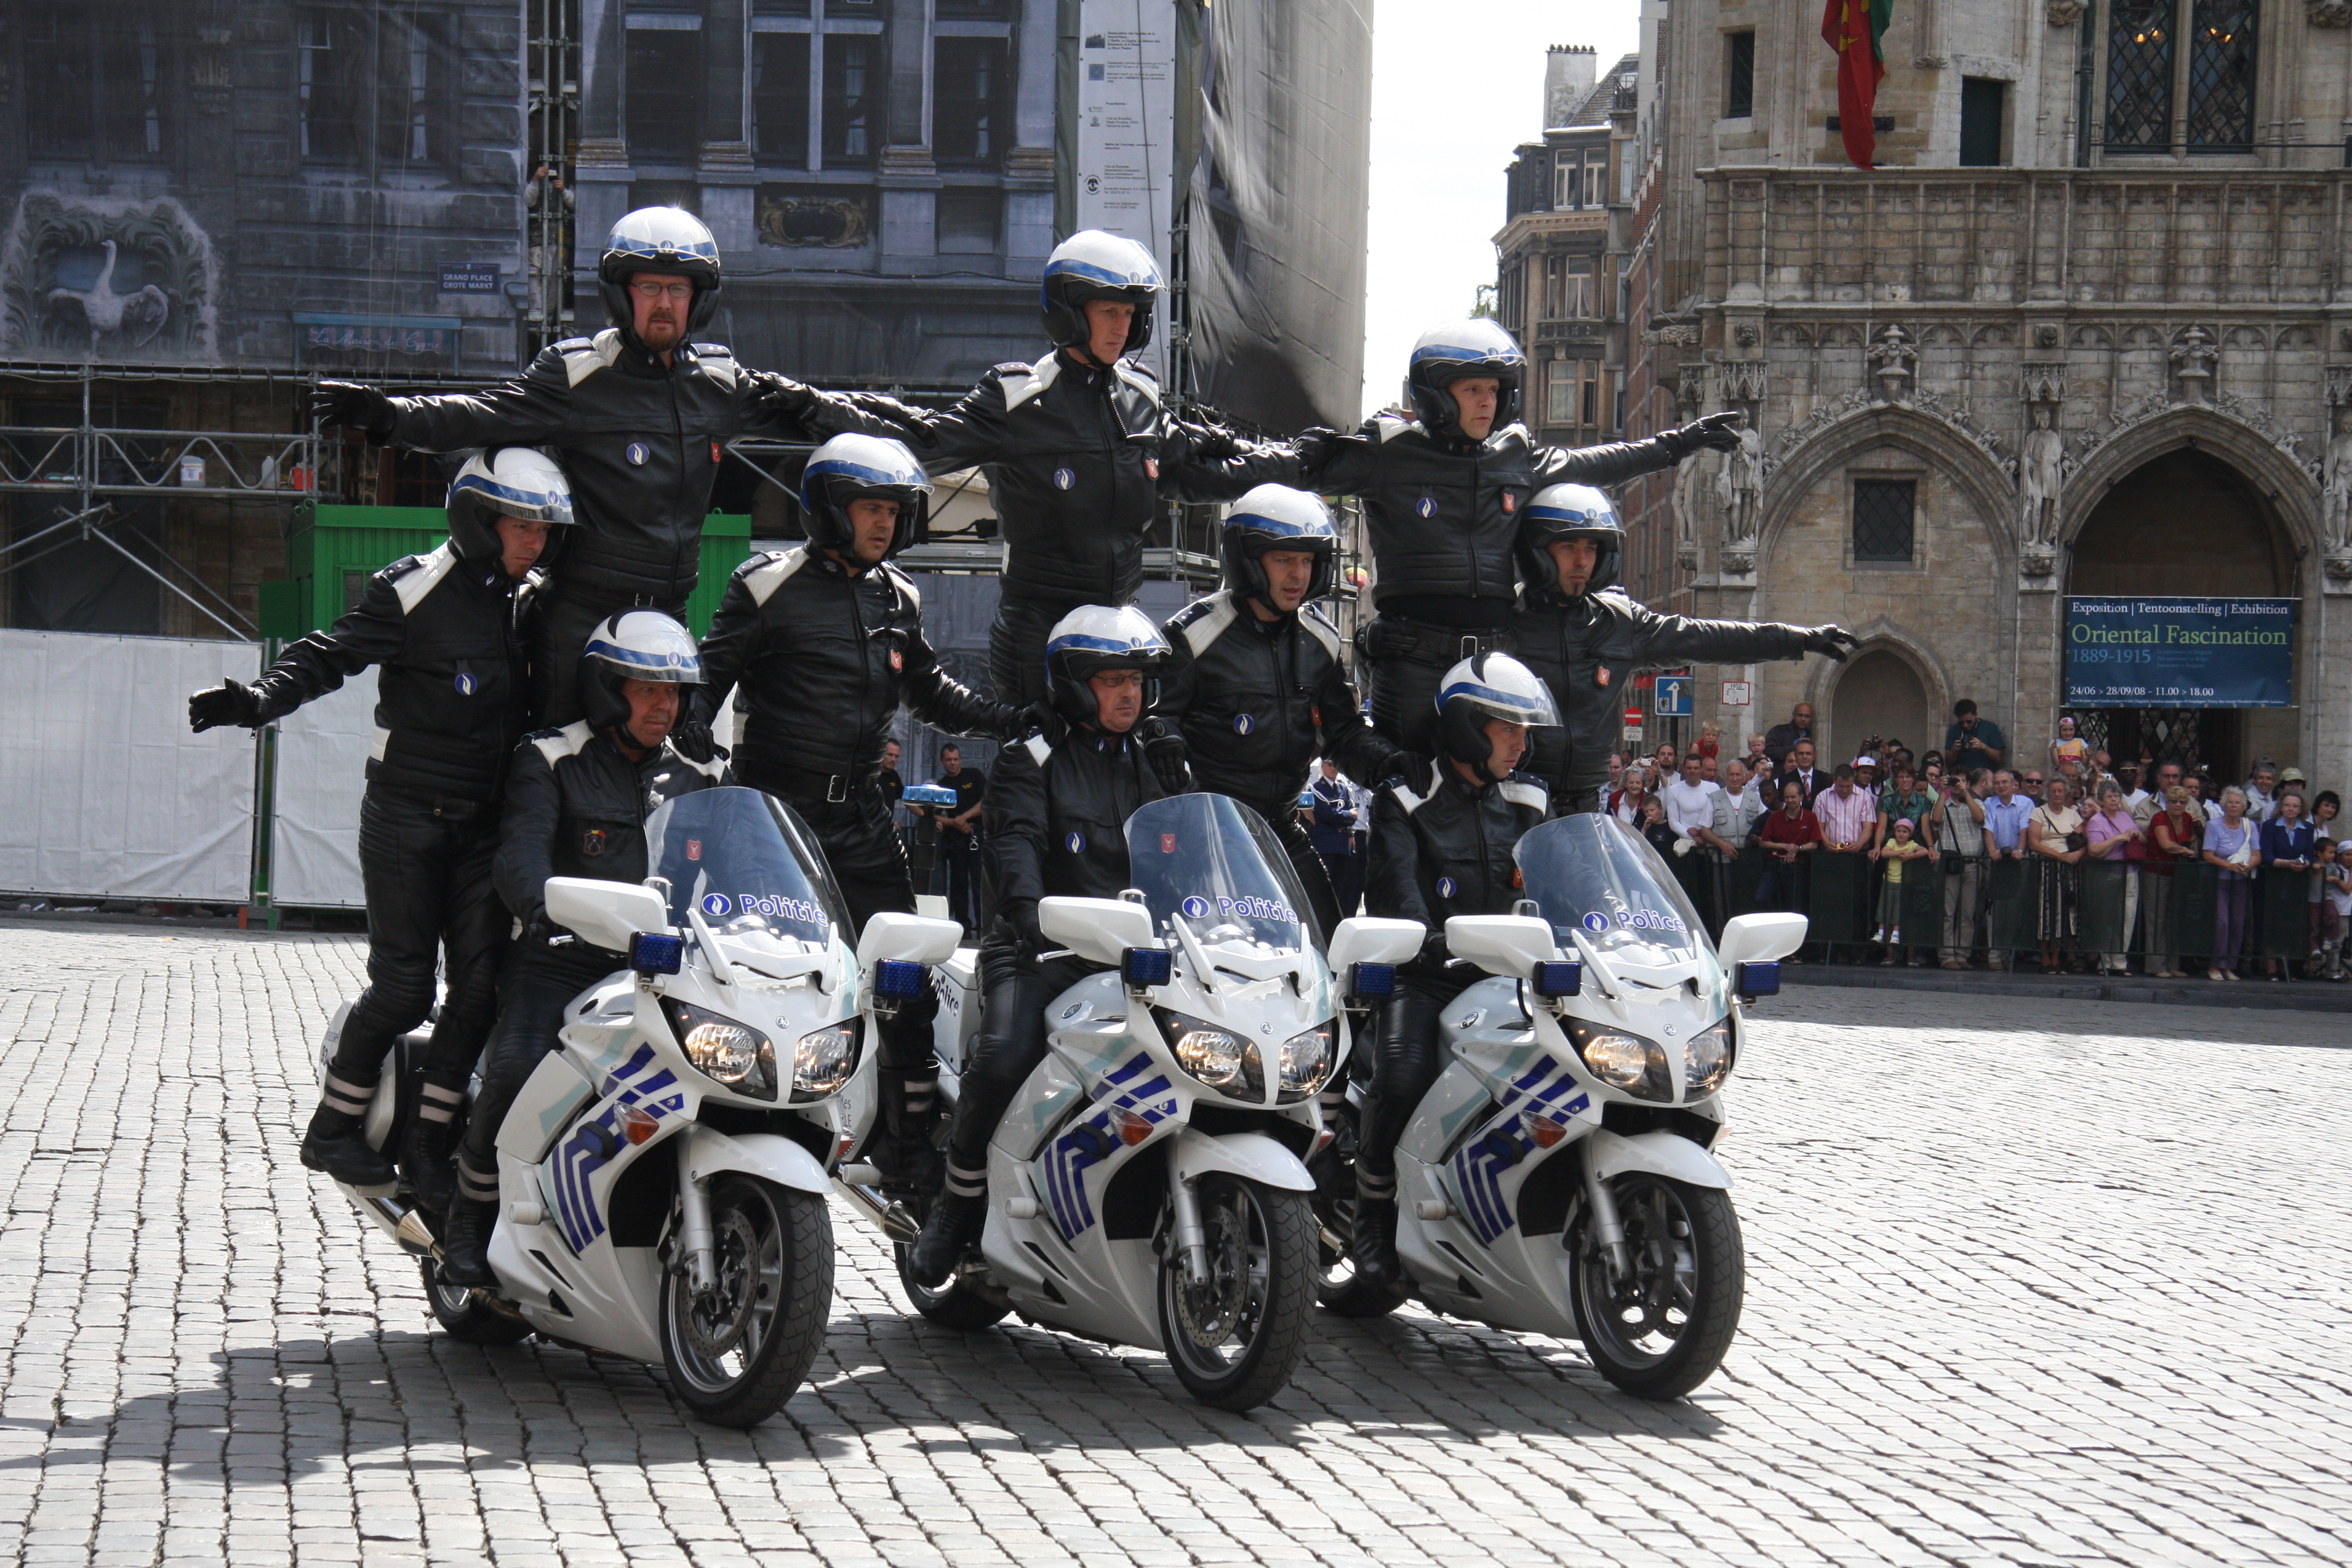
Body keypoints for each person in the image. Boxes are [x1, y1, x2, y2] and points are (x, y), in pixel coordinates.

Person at [188, 448, 570, 1203]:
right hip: (406, 820)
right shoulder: (413, 588)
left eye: (544, 528)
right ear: (479, 518)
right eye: (521, 524)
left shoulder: (533, 603)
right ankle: (333, 1127)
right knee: (402, 990)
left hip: (484, 831)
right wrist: (260, 699)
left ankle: (430, 1144)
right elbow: (331, 653)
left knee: (478, 991)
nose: (536, 540)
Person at [312, 207, 826, 727]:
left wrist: (906, 424)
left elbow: (815, 413)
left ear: (700, 299)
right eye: (649, 287)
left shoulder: (717, 382)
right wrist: (391, 416)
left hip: (667, 615)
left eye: (678, 289)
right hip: (581, 616)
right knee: (557, 759)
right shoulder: (579, 374)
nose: (664, 303)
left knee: (644, 778)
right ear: (622, 294)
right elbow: (487, 415)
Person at [687, 433, 1028, 1187]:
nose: (884, 523)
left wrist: (1012, 719)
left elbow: (934, 692)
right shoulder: (765, 585)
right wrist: (686, 749)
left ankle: (907, 1143)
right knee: (757, 976)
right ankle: (746, 1117)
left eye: (893, 510)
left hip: (863, 822)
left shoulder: (899, 597)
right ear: (827, 510)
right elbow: (706, 683)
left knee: (902, 978)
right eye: (869, 508)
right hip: (772, 819)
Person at [792, 231, 1302, 702]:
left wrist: (1303, 465)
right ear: (1070, 313)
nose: (1121, 328)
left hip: (1118, 624)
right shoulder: (1018, 400)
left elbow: (1202, 470)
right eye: (1108, 312)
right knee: (1033, 773)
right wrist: (807, 406)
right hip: (1038, 631)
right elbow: (924, 441)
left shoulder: (1143, 398)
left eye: (1130, 314)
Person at [1295, 324, 1756, 755]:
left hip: (1492, 665)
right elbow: (1288, 467)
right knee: (1405, 791)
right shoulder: (1389, 455)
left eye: (1494, 391)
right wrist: (1231, 451)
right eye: (1472, 389)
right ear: (1437, 395)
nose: (1486, 403)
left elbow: (1598, 463)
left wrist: (1676, 444)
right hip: (1412, 664)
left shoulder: (1516, 457)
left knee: (1495, 792)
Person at [439, 611, 727, 1284]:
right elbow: (520, 858)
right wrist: (543, 907)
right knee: (516, 1075)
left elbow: (742, 858)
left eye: (675, 691)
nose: (667, 705)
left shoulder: (700, 772)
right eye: (648, 688)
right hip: (562, 957)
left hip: (665, 968)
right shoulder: (551, 757)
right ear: (607, 688)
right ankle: (468, 1219)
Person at [908, 607, 1181, 1284]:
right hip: (1043, 953)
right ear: (1073, 684)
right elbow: (1015, 847)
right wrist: (1031, 913)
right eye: (1112, 679)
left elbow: (1196, 859)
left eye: (1138, 680)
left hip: (1139, 961)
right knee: (1003, 1059)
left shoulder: (1157, 760)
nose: (1129, 694)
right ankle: (957, 1204)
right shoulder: (1029, 760)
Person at [1351, 653, 1556, 1289]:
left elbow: (1560, 883)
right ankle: (1373, 1216)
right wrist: (1429, 939)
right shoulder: (1407, 796)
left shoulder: (1528, 798)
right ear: (1467, 726)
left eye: (1527, 731)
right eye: (1508, 728)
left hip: (1508, 981)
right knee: (1404, 1076)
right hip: (1428, 973)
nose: (1522, 745)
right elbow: (1394, 890)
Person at [1506, 484, 1853, 810]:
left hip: (1588, 805)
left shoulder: (1618, 622)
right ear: (1538, 551)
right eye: (1569, 547)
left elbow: (1705, 638)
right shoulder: (1503, 620)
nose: (1583, 561)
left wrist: (1798, 638)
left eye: (1592, 548)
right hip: (1514, 797)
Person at [1158, 485, 1404, 934]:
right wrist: (1167, 742)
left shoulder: (1322, 639)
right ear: (1249, 560)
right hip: (1208, 835)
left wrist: (1389, 762)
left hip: (1283, 831)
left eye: (1307, 561)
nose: (1298, 575)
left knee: (1330, 956)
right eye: (1284, 560)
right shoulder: (1194, 635)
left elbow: (1344, 734)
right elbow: (1154, 723)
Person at [2084, 779, 2143, 976]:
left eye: (2117, 796)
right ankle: (2104, 962)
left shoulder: (2126, 817)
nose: (2114, 799)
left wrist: (2135, 834)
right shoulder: (2097, 821)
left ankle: (2119, 962)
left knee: (2127, 918)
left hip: (2130, 873)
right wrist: (2117, 838)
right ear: (2101, 800)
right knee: (2107, 918)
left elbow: (2144, 841)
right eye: (2110, 796)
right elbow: (2094, 850)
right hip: (2107, 874)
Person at [2144, 782, 2203, 978]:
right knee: (2157, 919)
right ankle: (2156, 965)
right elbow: (2166, 844)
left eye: (2182, 801)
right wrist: (2186, 851)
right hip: (2157, 872)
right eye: (2174, 801)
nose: (2178, 804)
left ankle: (2173, 964)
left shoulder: (2187, 818)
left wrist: (2192, 844)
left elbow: (2193, 836)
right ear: (2167, 802)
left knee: (2174, 919)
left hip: (2179, 874)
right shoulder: (2159, 818)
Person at [1933, 768, 1990, 969]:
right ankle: (1947, 955)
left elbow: (1980, 819)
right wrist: (1943, 791)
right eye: (1956, 781)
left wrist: (1966, 793)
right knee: (1948, 912)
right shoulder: (1944, 804)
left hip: (1972, 864)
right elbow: (1936, 820)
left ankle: (1962, 954)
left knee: (1968, 912)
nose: (1958, 784)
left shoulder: (1977, 803)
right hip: (1951, 865)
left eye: (1963, 781)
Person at [2258, 790, 2318, 981]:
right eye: (2287, 805)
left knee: (2292, 924)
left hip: (2297, 882)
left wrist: (2305, 864)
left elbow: (2309, 854)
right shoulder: (2270, 826)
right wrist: (2285, 863)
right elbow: (2266, 855)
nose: (2291, 809)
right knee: (2273, 923)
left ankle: (2288, 967)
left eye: (2295, 806)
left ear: (2301, 809)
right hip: (2275, 880)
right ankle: (2271, 967)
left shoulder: (2307, 828)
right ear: (2281, 807)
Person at [2028, 776, 2085, 972]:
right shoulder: (2038, 812)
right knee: (2047, 913)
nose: (2057, 794)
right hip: (2046, 867)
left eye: (2061, 791)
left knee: (2065, 913)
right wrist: (2060, 857)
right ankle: (2045, 958)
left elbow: (2082, 841)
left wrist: (2076, 855)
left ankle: (2057, 957)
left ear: (2066, 793)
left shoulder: (2073, 815)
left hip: (2069, 870)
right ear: (2048, 793)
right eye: (2054, 791)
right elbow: (2034, 843)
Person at [2203, 786, 2260, 981]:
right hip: (2221, 880)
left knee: (2238, 923)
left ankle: (2229, 965)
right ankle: (2215, 965)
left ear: (2244, 806)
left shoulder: (2250, 825)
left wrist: (2247, 866)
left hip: (2241, 881)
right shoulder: (2214, 825)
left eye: (2238, 802)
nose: (2234, 806)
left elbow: (2257, 855)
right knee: (2222, 923)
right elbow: (2208, 854)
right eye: (2230, 802)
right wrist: (2228, 866)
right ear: (2223, 804)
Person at [1981, 769, 2036, 971]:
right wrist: (1992, 850)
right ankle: (1995, 954)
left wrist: (2020, 850)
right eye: (1997, 783)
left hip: (2018, 861)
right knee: (1995, 909)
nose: (2001, 786)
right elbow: (1989, 829)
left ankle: (2007, 954)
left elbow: (2025, 829)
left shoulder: (2025, 803)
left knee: (2014, 909)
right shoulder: (1989, 803)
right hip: (1997, 861)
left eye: (2005, 782)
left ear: (2014, 785)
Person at [930, 744, 988, 930]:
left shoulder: (974, 775)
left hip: (977, 835)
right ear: (942, 762)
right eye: (949, 760)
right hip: (955, 839)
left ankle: (983, 927)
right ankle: (963, 927)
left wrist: (965, 817)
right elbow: (931, 814)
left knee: (980, 883)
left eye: (956, 759)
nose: (953, 763)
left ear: (961, 759)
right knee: (959, 884)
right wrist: (955, 822)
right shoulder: (941, 786)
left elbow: (987, 801)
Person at [1754, 777, 1821, 924]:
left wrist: (1798, 849)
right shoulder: (1775, 817)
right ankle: (1777, 924)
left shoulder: (1810, 817)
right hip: (1775, 865)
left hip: (1799, 867)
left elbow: (1815, 844)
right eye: (1787, 797)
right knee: (1761, 898)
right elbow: (1764, 843)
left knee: (1796, 907)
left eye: (1793, 797)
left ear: (1801, 797)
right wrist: (1785, 847)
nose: (1790, 800)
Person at [1868, 818, 1933, 961]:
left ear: (1910, 834)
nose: (1901, 834)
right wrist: (1899, 853)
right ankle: (1884, 940)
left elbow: (1923, 850)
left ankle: (1900, 941)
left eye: (1905, 832)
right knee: (1885, 910)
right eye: (1899, 831)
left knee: (1899, 911)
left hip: (1904, 884)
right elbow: (1885, 853)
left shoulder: (1912, 845)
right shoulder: (1891, 843)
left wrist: (1911, 855)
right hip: (1889, 882)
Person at [1310, 760, 1365, 918]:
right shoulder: (1316, 789)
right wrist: (1348, 816)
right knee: (1325, 887)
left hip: (1343, 843)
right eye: (1329, 765)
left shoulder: (1343, 788)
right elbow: (1328, 815)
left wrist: (1348, 827)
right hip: (1325, 842)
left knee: (1341, 886)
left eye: (1335, 765)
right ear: (1323, 767)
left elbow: (1352, 815)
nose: (1333, 768)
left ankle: (1337, 920)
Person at [1944, 699, 2007, 769]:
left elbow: (2000, 759)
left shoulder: (1990, 728)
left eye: (1969, 721)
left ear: (1976, 715)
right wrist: (1954, 750)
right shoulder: (1954, 730)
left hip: (1984, 775)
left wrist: (1984, 747)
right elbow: (1948, 763)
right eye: (1961, 722)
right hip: (1961, 775)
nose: (1965, 725)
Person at [1763, 702, 1816, 769]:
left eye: (1807, 716)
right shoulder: (1779, 731)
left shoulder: (1811, 736)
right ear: (1793, 715)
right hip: (1780, 774)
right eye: (1800, 715)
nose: (1803, 719)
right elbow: (1768, 751)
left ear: (1811, 719)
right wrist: (1794, 748)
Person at [1783, 738, 1832, 804]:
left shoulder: (1826, 779)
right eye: (1801, 754)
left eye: (1808, 754)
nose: (1805, 757)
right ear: (1795, 756)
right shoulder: (1785, 780)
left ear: (1814, 756)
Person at [2048, 716, 2089, 782]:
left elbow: (2085, 762)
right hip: (2062, 773)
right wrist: (2052, 750)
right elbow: (2056, 763)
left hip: (2076, 774)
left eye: (2071, 730)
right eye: (2065, 730)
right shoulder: (2056, 743)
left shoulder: (2080, 742)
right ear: (2060, 730)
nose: (2068, 733)